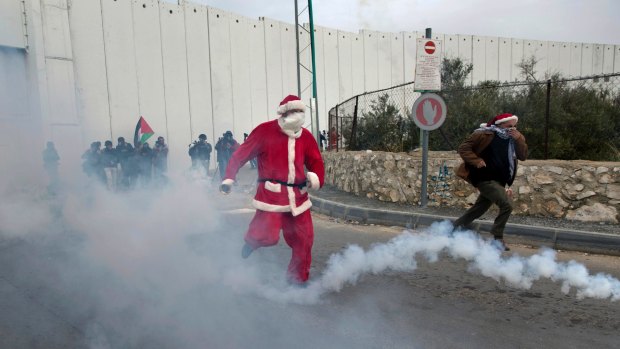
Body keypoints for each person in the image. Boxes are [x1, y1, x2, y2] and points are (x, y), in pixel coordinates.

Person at [219, 95, 325, 284]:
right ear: (284, 113)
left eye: (301, 112)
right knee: (266, 235)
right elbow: (241, 154)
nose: (299, 115)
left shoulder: (306, 136)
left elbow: (316, 161)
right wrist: (229, 177)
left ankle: (297, 280)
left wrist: (315, 177)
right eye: (295, 111)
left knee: (304, 240)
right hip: (272, 196)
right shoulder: (264, 131)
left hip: (298, 198)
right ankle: (251, 242)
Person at [453, 113, 528, 251]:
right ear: (499, 124)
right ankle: (497, 239)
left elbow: (522, 156)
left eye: (514, 126)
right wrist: (476, 161)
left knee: (479, 209)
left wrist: (519, 139)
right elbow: (464, 148)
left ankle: (453, 229)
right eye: (508, 126)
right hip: (484, 178)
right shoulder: (483, 134)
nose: (512, 129)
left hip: (500, 181)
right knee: (507, 205)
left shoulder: (515, 138)